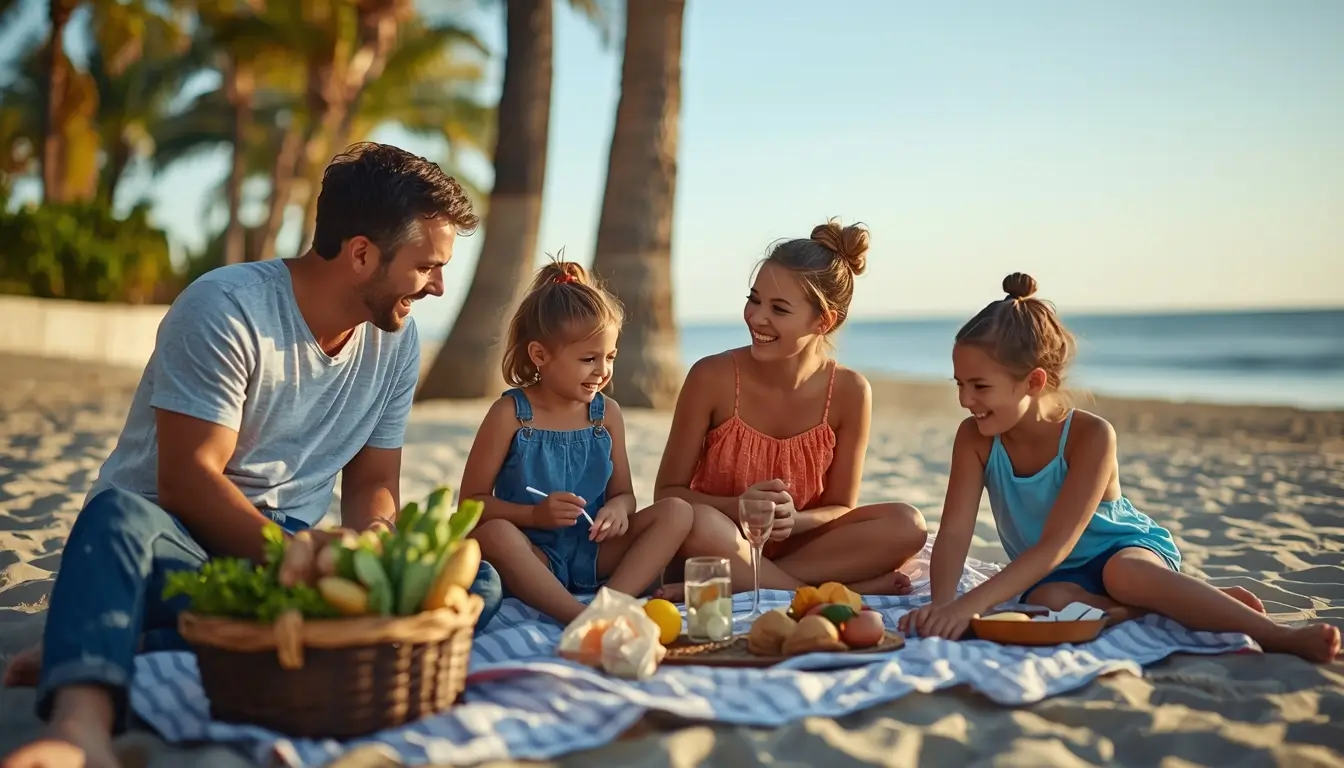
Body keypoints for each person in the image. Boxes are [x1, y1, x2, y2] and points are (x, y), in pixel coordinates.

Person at [1, 143, 506, 768]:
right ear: (361, 254)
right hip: (170, 542)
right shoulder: (227, 308)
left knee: (474, 577)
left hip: (282, 553)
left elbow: (374, 484)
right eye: (428, 266)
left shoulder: (394, 342)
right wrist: (291, 554)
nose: (439, 286)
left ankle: (120, 636)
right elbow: (187, 481)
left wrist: (376, 548)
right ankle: (82, 726)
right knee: (115, 519)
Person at [897, 273, 1340, 663]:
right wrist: (943, 605)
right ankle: (1192, 604)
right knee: (1049, 601)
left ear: (1033, 381)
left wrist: (965, 607)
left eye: (980, 386)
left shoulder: (1091, 436)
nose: (965, 400)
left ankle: (1279, 636)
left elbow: (1054, 544)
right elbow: (955, 532)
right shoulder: (974, 438)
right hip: (1056, 575)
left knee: (1122, 575)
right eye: (960, 384)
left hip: (1123, 552)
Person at [653, 219, 928, 598]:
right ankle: (817, 591)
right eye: (754, 300)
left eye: (779, 309)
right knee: (698, 521)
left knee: (906, 523)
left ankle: (754, 583)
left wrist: (795, 521)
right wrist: (740, 507)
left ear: (823, 321)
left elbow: (840, 507)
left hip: (806, 549)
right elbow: (668, 494)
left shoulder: (850, 391)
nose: (757, 317)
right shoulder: (711, 377)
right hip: (717, 543)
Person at [461, 260, 693, 625]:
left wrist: (618, 511)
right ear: (540, 355)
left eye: (610, 357)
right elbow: (471, 506)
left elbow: (625, 495)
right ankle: (576, 616)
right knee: (495, 534)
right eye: (589, 359)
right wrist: (534, 515)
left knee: (677, 511)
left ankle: (611, 602)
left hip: (596, 553)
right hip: (532, 556)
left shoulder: (606, 414)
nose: (602, 371)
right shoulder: (509, 414)